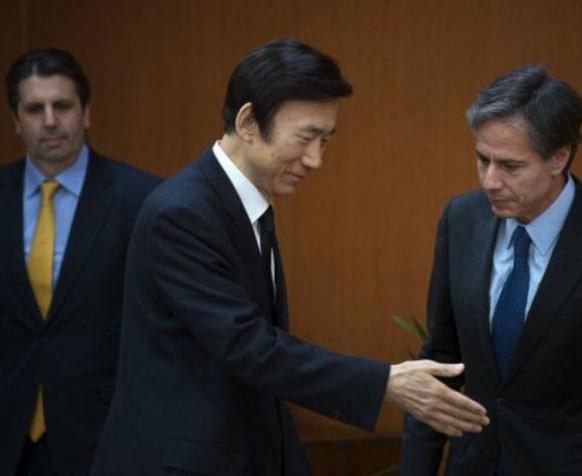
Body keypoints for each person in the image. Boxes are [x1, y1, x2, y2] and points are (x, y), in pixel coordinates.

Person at [90, 38, 489, 476]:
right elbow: (248, 346)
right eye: (305, 138)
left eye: (325, 140)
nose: (315, 159)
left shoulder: (243, 202)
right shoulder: (182, 213)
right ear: (247, 122)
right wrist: (386, 383)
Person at [400, 65, 582, 475]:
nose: (490, 181)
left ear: (559, 157)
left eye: (510, 166)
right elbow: (441, 362)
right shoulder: (461, 219)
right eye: (482, 159)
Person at [0, 48, 161, 475]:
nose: (50, 121)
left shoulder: (142, 200)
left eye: (63, 106)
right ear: (16, 120)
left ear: (86, 113)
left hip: (104, 439)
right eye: (35, 109)